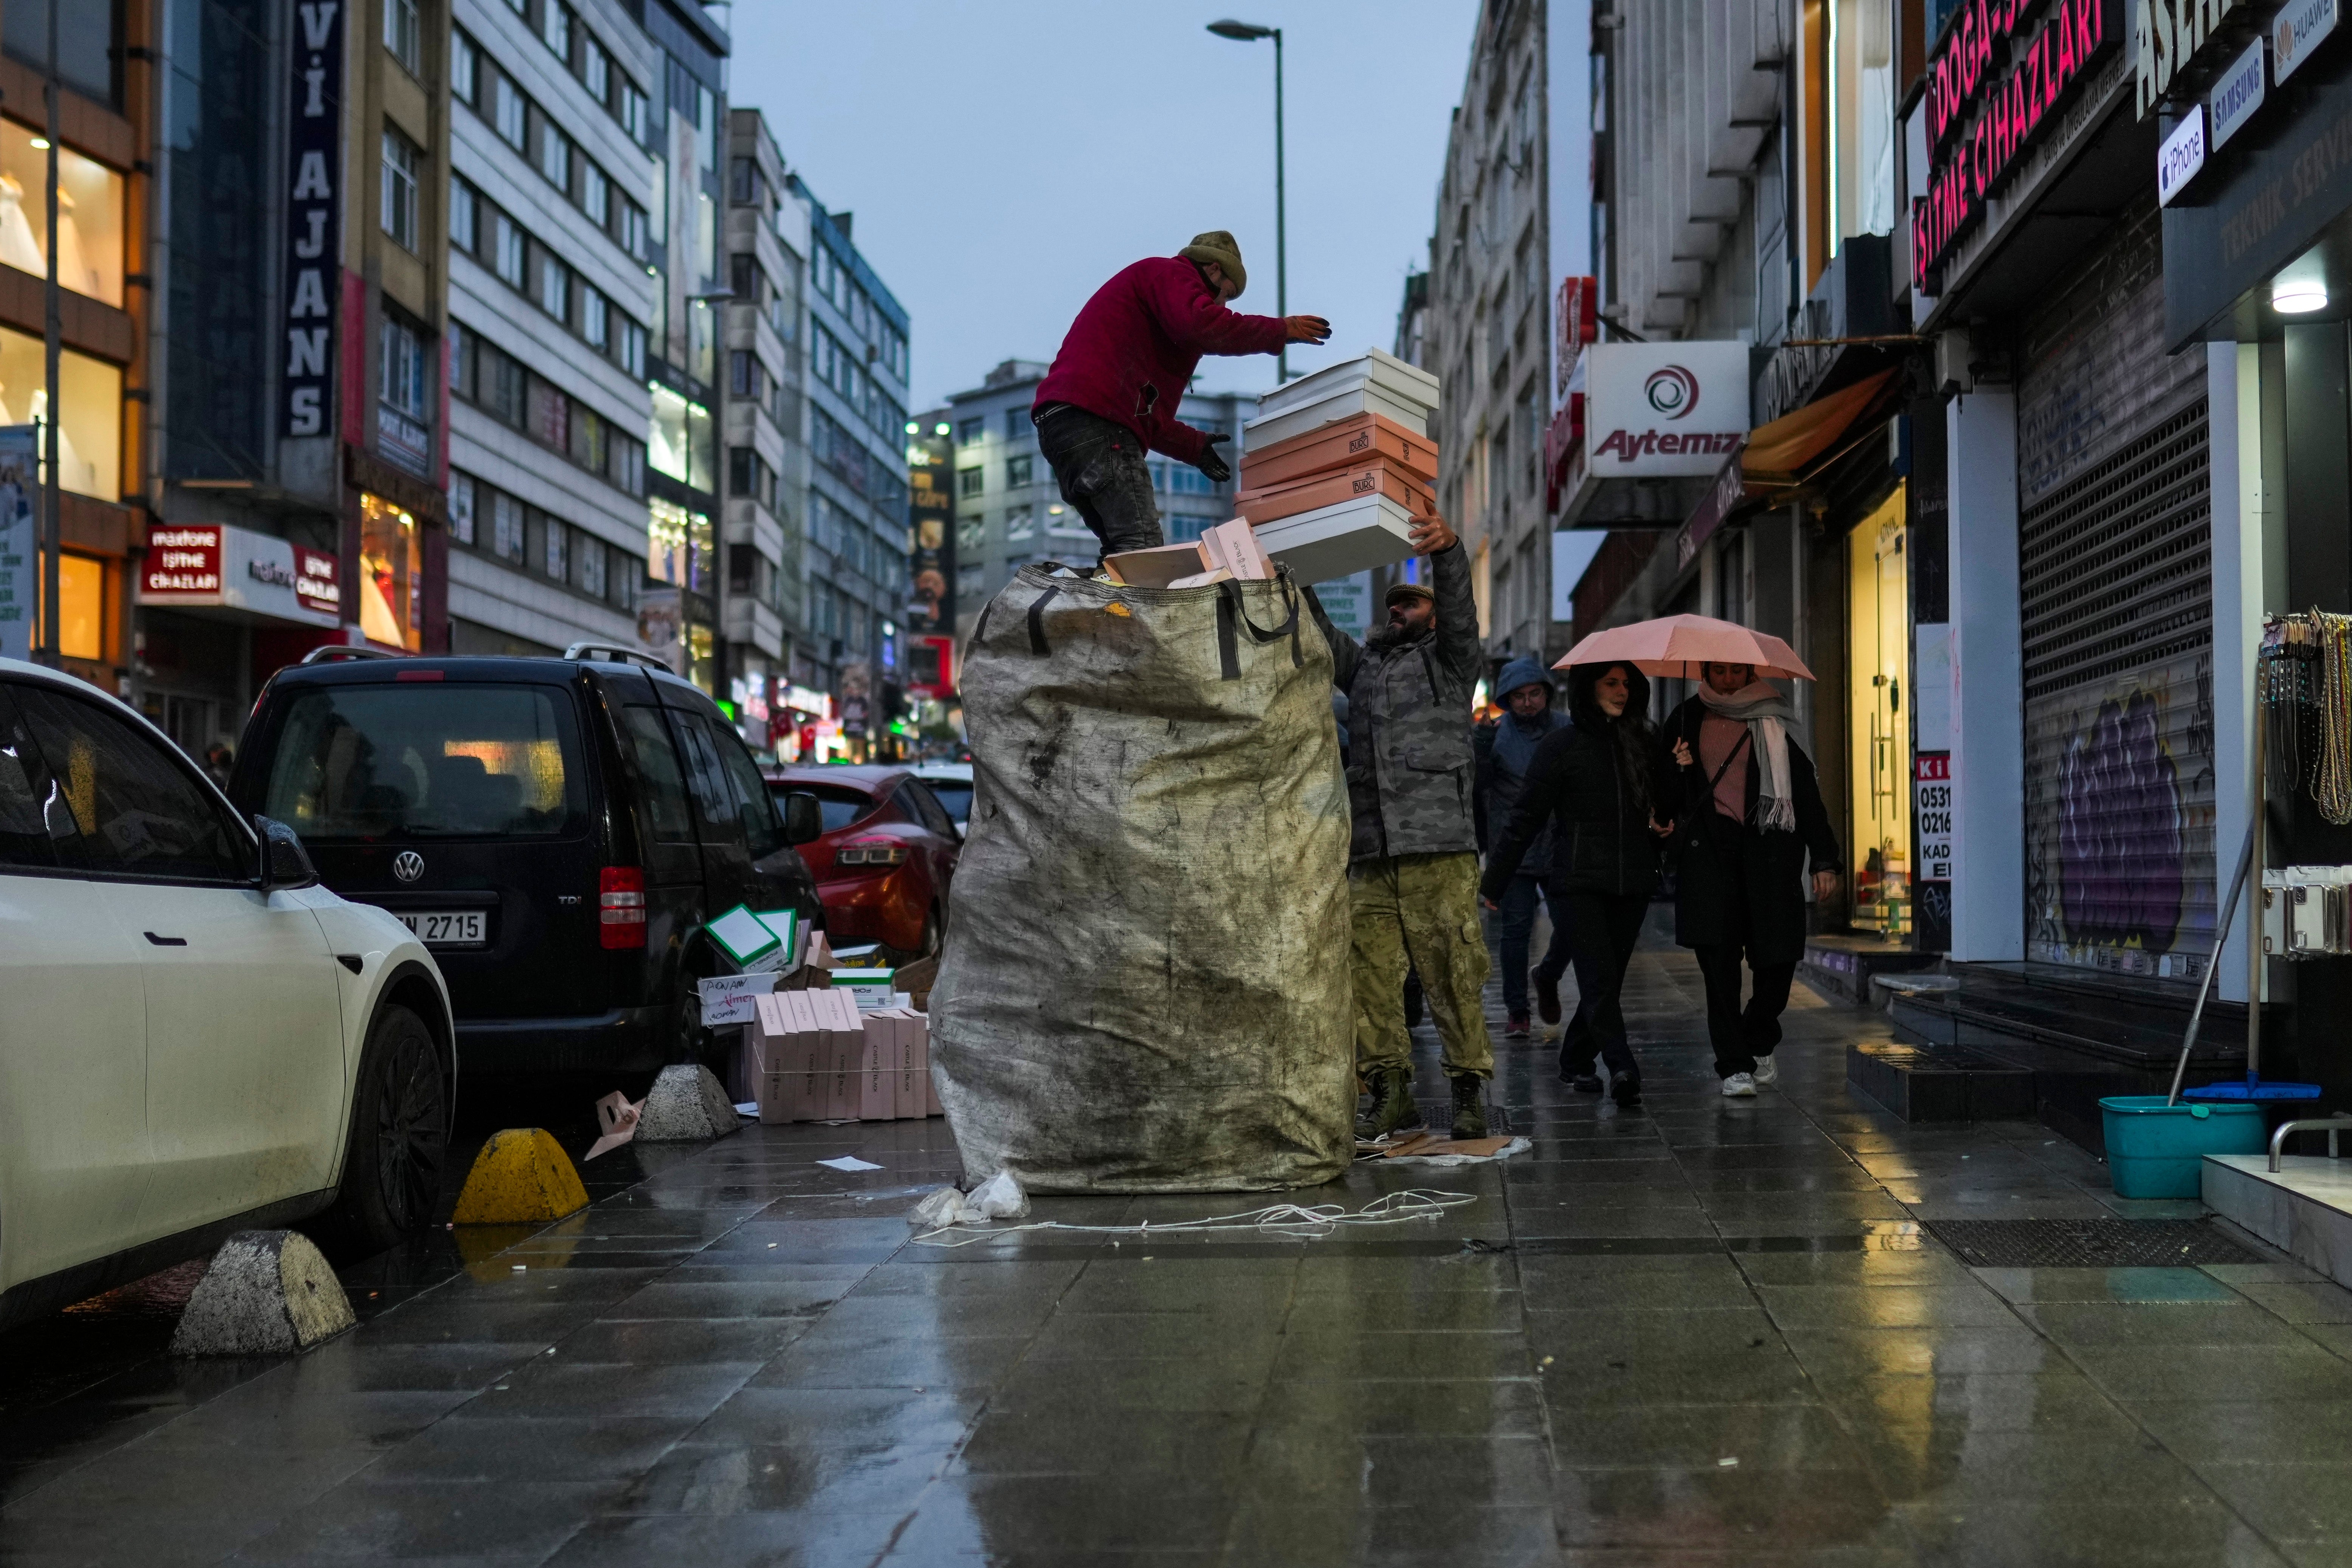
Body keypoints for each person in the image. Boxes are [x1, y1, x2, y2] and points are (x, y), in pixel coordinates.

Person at [1306, 519, 1494, 1140]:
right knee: (1368, 976)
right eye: (1392, 605)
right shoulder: (1361, 669)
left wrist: (1446, 553)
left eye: (1410, 603)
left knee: (1452, 972)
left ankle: (1468, 1089)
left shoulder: (1448, 663)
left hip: (1437, 848)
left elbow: (1463, 615)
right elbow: (1318, 634)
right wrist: (1295, 576)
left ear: (1431, 616)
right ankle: (1390, 1091)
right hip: (1370, 850)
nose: (1398, 611)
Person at [1031, 231, 1331, 556]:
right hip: (1098, 422)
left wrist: (1194, 446)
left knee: (1123, 554)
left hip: (1066, 425)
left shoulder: (1155, 315)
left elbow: (1147, 415)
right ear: (1213, 269)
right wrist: (1279, 330)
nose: (1222, 305)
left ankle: (1097, 606)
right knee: (1143, 552)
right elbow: (1202, 325)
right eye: (1226, 294)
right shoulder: (1170, 274)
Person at [1480, 663, 1671, 1107]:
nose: (1622, 692)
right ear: (1589, 689)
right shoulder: (1561, 745)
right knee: (1599, 978)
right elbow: (1525, 815)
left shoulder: (1644, 741)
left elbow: (1665, 806)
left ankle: (1575, 1058)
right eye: (1611, 683)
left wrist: (1675, 776)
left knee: (1609, 979)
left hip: (1634, 879)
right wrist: (1496, 880)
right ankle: (1622, 1064)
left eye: (1627, 684)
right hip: (1578, 878)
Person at [1661, 661, 1841, 1096]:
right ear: (1704, 671)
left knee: (1778, 959)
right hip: (1710, 856)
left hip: (1770, 853)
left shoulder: (1774, 716)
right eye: (1719, 672)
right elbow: (1664, 795)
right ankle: (1734, 1066)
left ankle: (1759, 1037)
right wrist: (1677, 766)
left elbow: (1805, 793)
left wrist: (1825, 859)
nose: (1727, 680)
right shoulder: (1685, 718)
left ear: (1749, 673)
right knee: (1719, 966)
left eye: (1736, 672)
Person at [1474, 658, 1572, 1039]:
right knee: (1515, 932)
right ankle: (1518, 1010)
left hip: (1560, 843)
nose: (1528, 702)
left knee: (1571, 924)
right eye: (1519, 696)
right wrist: (1480, 748)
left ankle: (1547, 975)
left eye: (1534, 693)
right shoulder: (1496, 734)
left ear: (1546, 692)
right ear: (1507, 699)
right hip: (1514, 847)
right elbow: (1477, 787)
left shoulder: (1567, 729)